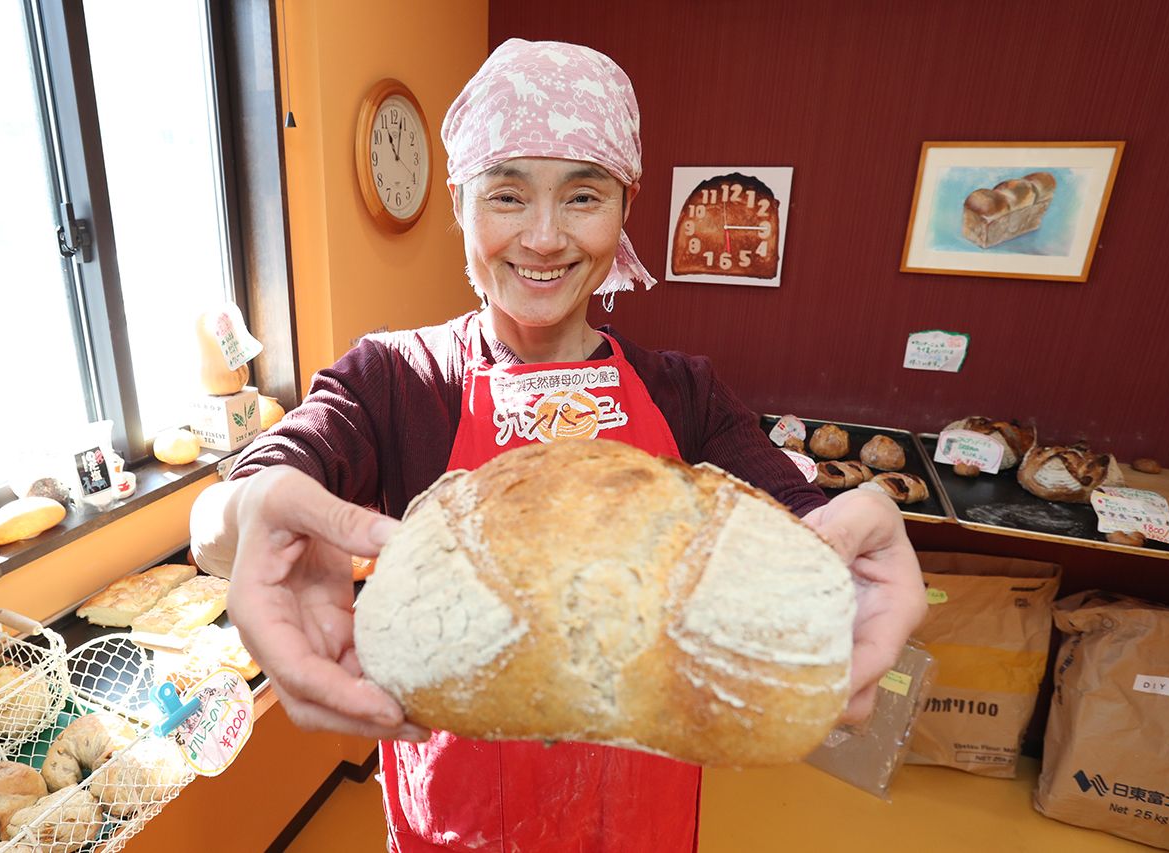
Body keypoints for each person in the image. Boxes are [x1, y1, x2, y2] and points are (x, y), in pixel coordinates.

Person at [190, 38, 926, 853]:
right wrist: (240, 510)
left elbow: (803, 526)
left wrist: (844, 552)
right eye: (507, 195)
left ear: (626, 203)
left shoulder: (686, 393)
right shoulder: (398, 379)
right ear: (458, 204)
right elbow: (246, 496)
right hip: (456, 830)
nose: (543, 238)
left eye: (583, 196)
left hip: (640, 829)